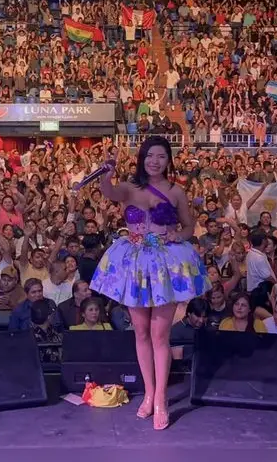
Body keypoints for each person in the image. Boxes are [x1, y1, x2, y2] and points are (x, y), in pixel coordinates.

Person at [92, 136, 209, 430]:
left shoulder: (176, 191)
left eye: (160, 156)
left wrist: (177, 237)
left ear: (168, 160)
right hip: (134, 261)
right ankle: (147, 393)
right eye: (149, 156)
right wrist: (106, 173)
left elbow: (189, 225)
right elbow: (109, 192)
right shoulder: (130, 187)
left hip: (164, 265)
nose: (154, 161)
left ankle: (160, 400)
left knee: (160, 335)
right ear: (142, 159)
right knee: (140, 332)